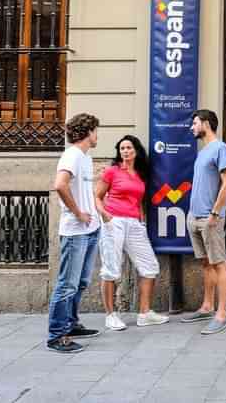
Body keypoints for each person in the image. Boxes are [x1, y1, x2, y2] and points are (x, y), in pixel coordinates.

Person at [95, 135, 168, 331]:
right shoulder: (112, 172)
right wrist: (104, 214)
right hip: (114, 221)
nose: (125, 151)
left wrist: (141, 221)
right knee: (111, 269)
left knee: (150, 266)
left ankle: (144, 313)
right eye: (122, 149)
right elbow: (97, 196)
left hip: (135, 224)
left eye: (128, 148)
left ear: (136, 150)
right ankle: (111, 315)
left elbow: (138, 200)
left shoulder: (140, 174)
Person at [46, 113, 102, 353]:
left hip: (91, 229)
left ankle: (71, 323)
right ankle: (57, 336)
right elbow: (60, 185)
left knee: (80, 282)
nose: (97, 135)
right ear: (87, 132)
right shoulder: (72, 155)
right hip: (75, 231)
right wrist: (79, 213)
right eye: (96, 130)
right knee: (67, 284)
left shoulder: (85, 158)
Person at [181, 110, 226, 335]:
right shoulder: (203, 152)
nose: (192, 127)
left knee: (219, 263)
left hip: (209, 218)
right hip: (195, 216)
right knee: (206, 263)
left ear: (206, 124)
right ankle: (206, 306)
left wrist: (214, 213)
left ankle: (221, 315)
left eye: (194, 123)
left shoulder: (221, 148)